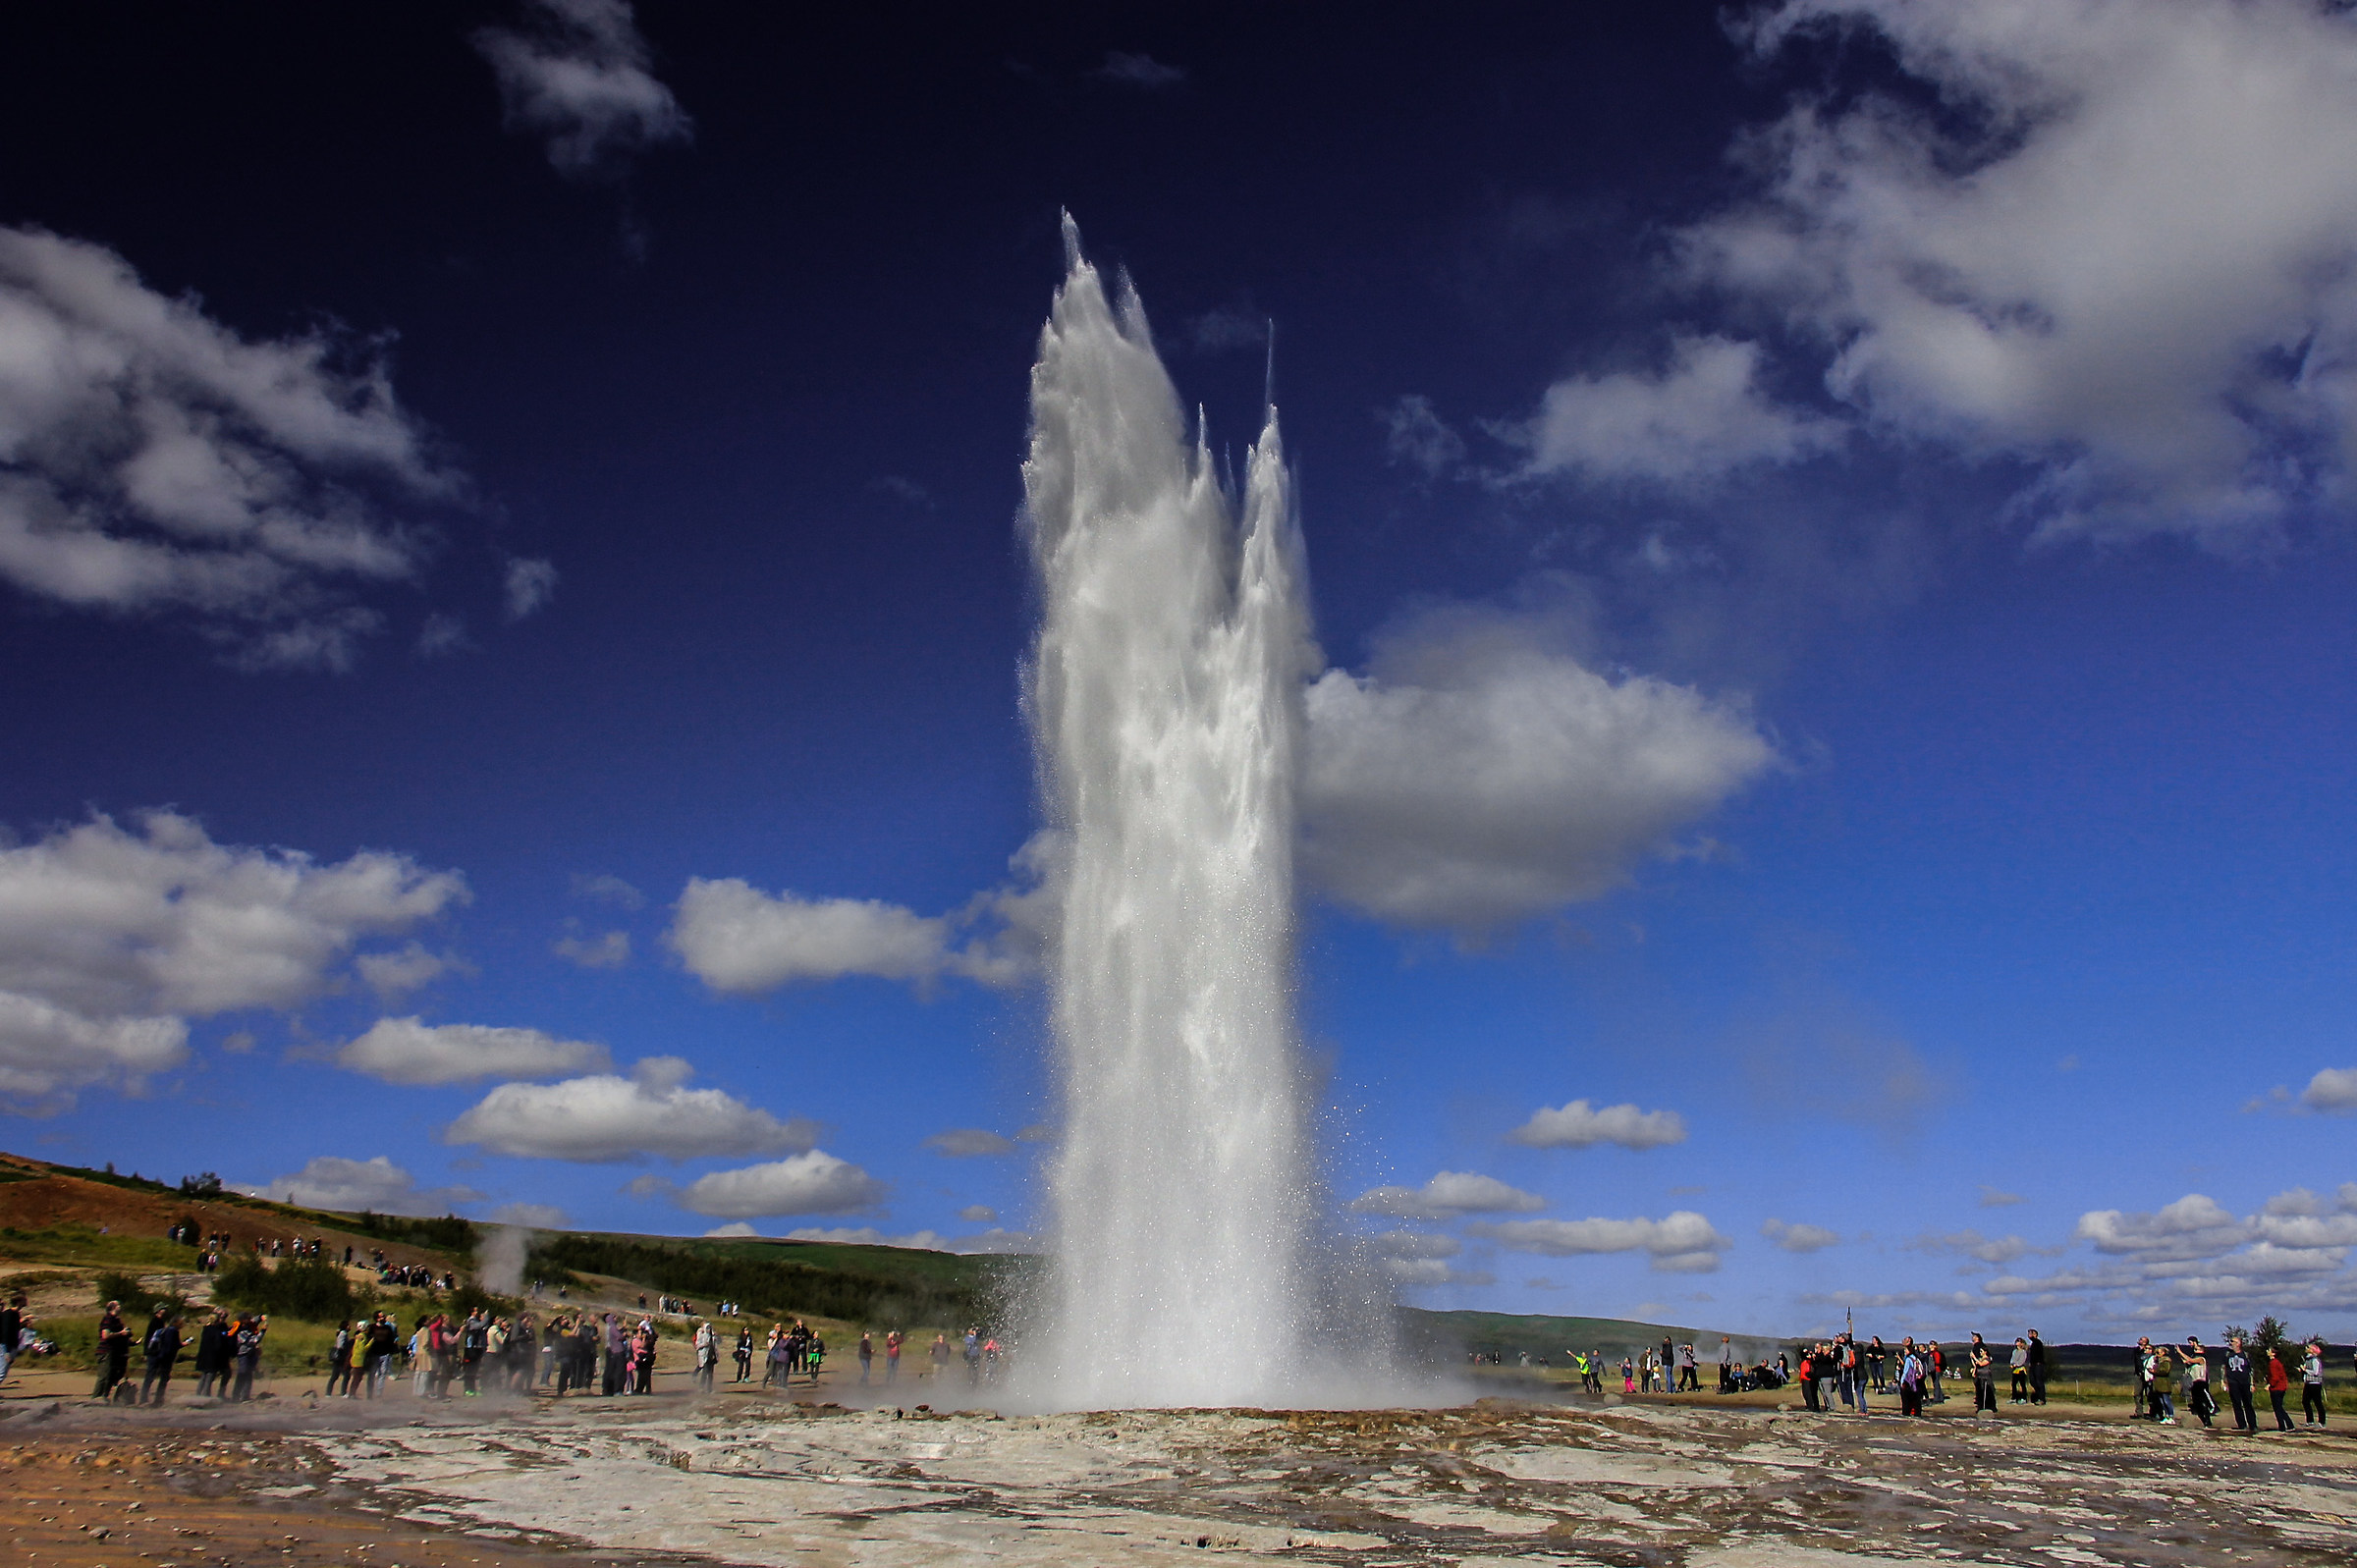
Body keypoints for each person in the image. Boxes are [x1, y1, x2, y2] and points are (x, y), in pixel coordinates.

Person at [92, 1299, 133, 1400]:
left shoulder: (117, 1320)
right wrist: (121, 1333)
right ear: (113, 1308)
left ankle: (104, 1396)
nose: (121, 1307)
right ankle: (96, 1398)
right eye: (118, 1305)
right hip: (106, 1351)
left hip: (116, 1352)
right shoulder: (108, 1318)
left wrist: (129, 1339)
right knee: (104, 1376)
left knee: (113, 1375)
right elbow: (105, 1335)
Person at [140, 1311, 182, 1405]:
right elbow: (168, 1345)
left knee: (154, 1377)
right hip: (159, 1355)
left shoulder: (164, 1326)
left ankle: (151, 1399)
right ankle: (153, 1399)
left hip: (158, 1354)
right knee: (155, 1377)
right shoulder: (169, 1329)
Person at [2222, 1335, 2257, 1433]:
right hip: (2233, 1382)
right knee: (2236, 1404)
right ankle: (2241, 1425)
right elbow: (2224, 1368)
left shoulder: (2245, 1355)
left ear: (2238, 1343)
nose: (2231, 1343)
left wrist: (2252, 1383)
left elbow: (2251, 1370)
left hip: (2245, 1382)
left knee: (2248, 1404)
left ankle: (2252, 1425)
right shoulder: (2228, 1355)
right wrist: (2224, 1381)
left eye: (2233, 1341)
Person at [231, 1314, 265, 1401]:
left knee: (249, 1374)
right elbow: (254, 1340)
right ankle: (236, 1395)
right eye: (248, 1319)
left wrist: (261, 1317)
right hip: (243, 1355)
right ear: (243, 1320)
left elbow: (255, 1320)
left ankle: (245, 1396)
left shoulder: (249, 1325)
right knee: (242, 1374)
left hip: (252, 1353)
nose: (250, 1320)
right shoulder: (240, 1330)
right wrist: (263, 1331)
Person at [2182, 1337, 2216, 1428]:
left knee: (2203, 1400)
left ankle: (2212, 1410)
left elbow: (2190, 1360)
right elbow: (2188, 1362)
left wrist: (2181, 1352)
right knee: (2197, 1403)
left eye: (2197, 1349)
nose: (2195, 1351)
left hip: (2201, 1381)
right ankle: (2204, 1420)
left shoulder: (2201, 1358)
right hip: (2194, 1382)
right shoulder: (2194, 1358)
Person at [2266, 1344, 2293, 1431]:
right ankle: (2288, 1425)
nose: (2267, 1351)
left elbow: (2275, 1377)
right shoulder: (2277, 1362)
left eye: (2269, 1350)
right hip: (2281, 1387)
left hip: (2277, 1388)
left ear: (2273, 1353)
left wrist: (2269, 1385)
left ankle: (2283, 1426)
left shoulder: (2273, 1363)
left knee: (2277, 1408)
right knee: (2279, 1407)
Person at [2301, 1339, 2328, 1427]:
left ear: (2312, 1350)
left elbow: (2315, 1372)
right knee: (2305, 1401)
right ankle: (2310, 1420)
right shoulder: (2307, 1359)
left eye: (2308, 1347)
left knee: (2317, 1402)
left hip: (2315, 1384)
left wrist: (2305, 1370)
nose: (2306, 1348)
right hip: (2308, 1383)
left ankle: (2321, 1421)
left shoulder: (2315, 1360)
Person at [0, 1291, 24, 1386]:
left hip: (12, 1345)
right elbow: (5, 1332)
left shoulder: (16, 1314)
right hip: (6, 1346)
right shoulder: (9, 1314)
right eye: (24, 1300)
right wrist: (6, 1351)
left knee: (3, 1371)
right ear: (18, 1302)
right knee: (1, 1372)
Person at [2026, 1328, 2049, 1405]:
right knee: (2032, 1381)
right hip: (2033, 1364)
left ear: (2035, 1334)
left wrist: (2038, 1362)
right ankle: (2038, 1395)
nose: (2029, 1335)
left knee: (2039, 1381)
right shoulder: (2033, 1344)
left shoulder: (2038, 1342)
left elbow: (2038, 1354)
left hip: (2038, 1365)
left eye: (2030, 1333)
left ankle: (2042, 1399)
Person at [695, 1320, 716, 1392]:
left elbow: (717, 1344)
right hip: (705, 1356)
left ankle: (709, 1388)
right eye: (707, 1328)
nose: (708, 1330)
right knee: (705, 1373)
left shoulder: (713, 1337)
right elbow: (697, 1345)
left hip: (712, 1356)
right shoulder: (701, 1335)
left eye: (710, 1328)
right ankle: (701, 1387)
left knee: (711, 1374)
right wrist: (704, 1344)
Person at [2008, 1337, 2030, 1403]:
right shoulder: (2014, 1351)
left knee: (2022, 1384)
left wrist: (2016, 1364)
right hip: (2015, 1370)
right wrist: (2012, 1364)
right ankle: (2014, 1398)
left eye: (2018, 1341)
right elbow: (2012, 1359)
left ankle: (2024, 1398)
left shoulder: (2023, 1352)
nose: (2017, 1342)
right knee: (2013, 1384)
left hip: (2021, 1370)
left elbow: (2022, 1361)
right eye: (2016, 1341)